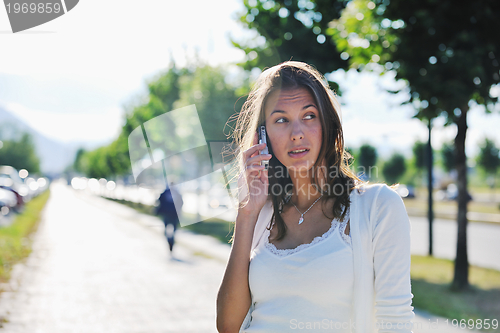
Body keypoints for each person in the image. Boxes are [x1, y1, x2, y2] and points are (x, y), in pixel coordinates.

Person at [216, 61, 414, 332]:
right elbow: (228, 325)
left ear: (328, 124)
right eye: (281, 120)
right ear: (264, 137)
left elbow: (396, 321)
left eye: (309, 116)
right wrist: (246, 213)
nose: (296, 134)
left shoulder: (378, 207)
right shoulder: (261, 214)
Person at [155, 183, 183, 255]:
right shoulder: (166, 193)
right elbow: (159, 201)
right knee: (166, 231)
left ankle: (171, 242)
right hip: (168, 215)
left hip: (173, 215)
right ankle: (170, 241)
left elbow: (181, 203)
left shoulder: (176, 193)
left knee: (172, 231)